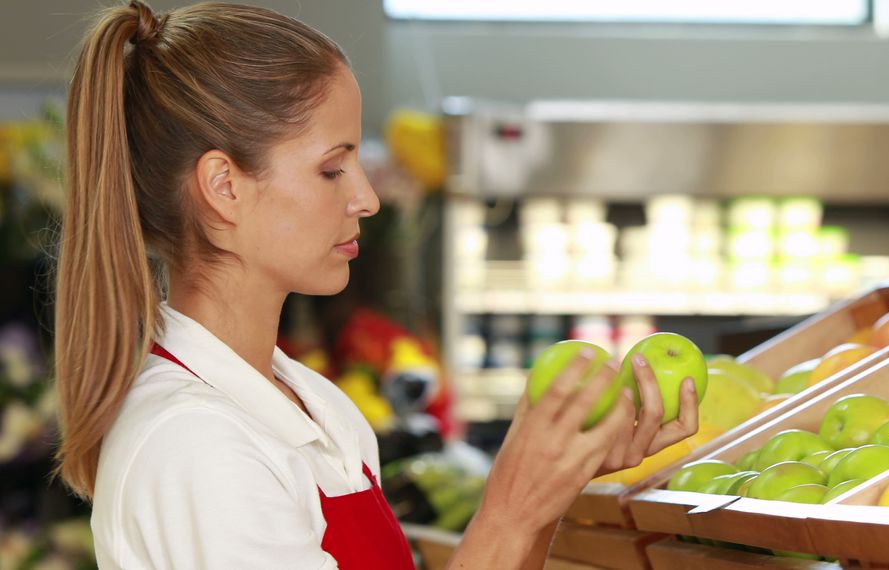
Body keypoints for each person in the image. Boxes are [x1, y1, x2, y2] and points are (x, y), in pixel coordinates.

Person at [53, 2, 700, 568]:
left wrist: (548, 492)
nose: (366, 198)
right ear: (225, 187)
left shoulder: (318, 407)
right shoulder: (195, 446)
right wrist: (507, 507)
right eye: (333, 169)